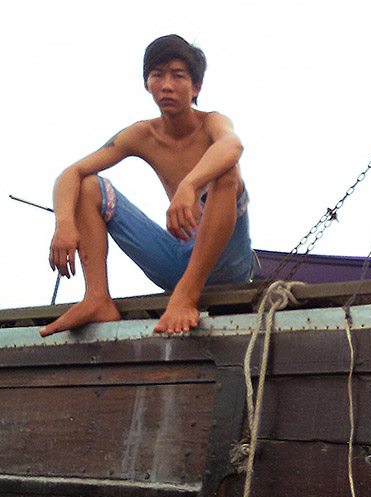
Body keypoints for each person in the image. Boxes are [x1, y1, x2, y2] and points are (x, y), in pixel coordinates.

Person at [40, 34, 253, 337]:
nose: (167, 85)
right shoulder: (142, 135)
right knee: (88, 186)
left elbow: (233, 146)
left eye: (178, 76)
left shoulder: (212, 123)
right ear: (147, 84)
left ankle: (187, 295)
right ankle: (97, 297)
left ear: (196, 87)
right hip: (176, 262)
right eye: (157, 75)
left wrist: (189, 185)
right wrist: (63, 224)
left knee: (228, 173)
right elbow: (70, 173)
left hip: (227, 264)